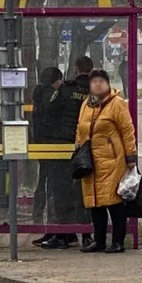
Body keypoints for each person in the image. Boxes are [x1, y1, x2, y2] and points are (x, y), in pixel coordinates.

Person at [75, 68, 137, 254]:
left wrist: (131, 157)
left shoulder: (116, 103)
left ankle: (118, 241)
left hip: (112, 160)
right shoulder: (86, 104)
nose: (98, 84)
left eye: (101, 81)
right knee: (95, 202)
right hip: (90, 161)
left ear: (108, 83)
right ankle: (99, 240)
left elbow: (127, 130)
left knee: (114, 201)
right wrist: (78, 145)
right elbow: (80, 128)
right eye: (94, 81)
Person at [41, 56, 94, 249]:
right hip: (88, 147)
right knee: (85, 190)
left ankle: (64, 234)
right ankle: (88, 234)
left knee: (62, 190)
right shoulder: (97, 90)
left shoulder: (66, 89)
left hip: (64, 145)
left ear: (75, 69)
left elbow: (49, 108)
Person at [31, 67, 64, 246]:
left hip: (40, 144)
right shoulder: (53, 96)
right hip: (54, 146)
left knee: (42, 181)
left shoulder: (38, 94)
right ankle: (53, 226)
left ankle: (38, 216)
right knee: (53, 186)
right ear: (56, 81)